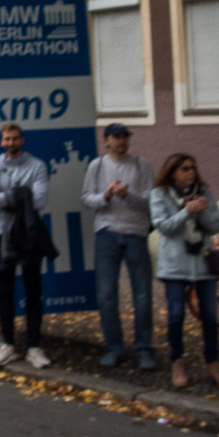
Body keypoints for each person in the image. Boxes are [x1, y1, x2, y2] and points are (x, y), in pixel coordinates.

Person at [81, 124, 156, 370]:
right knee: (106, 295)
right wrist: (108, 195)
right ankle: (114, 347)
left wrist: (128, 196)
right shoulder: (97, 166)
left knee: (143, 295)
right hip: (107, 233)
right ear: (107, 141)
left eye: (125, 137)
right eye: (117, 137)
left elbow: (150, 201)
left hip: (136, 233)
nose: (122, 141)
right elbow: (87, 198)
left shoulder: (141, 165)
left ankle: (144, 348)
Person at [150, 153, 219, 390]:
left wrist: (201, 211)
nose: (190, 172)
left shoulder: (204, 190)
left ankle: (213, 365)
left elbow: (216, 225)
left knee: (210, 317)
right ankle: (177, 363)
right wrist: (186, 212)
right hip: (174, 265)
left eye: (192, 167)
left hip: (202, 263)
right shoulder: (159, 194)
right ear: (172, 172)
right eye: (184, 168)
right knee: (175, 315)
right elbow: (163, 226)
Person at [0, 123, 52, 369]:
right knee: (4, 291)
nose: (10, 143)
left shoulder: (37, 166)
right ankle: (8, 345)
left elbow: (40, 200)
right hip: (0, 234)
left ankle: (34, 347)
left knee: (34, 292)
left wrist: (6, 193)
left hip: (29, 235)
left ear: (22, 140)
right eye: (6, 139)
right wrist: (21, 195)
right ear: (1, 142)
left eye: (14, 139)